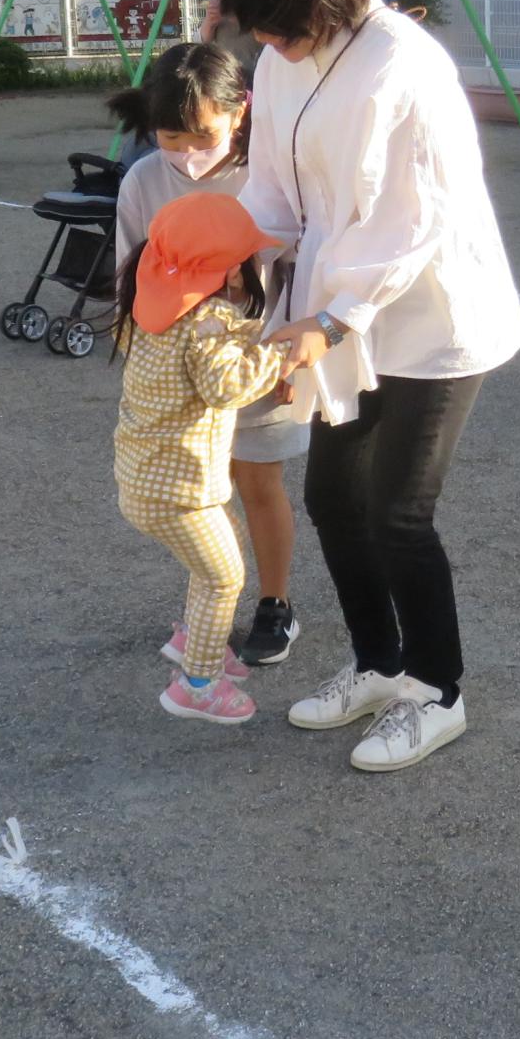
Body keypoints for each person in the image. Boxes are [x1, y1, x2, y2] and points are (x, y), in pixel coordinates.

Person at [214, 0, 520, 775]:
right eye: (258, 28)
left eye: (277, 24)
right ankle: (380, 664)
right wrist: (234, 259)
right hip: (334, 309)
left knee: (398, 511)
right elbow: (272, 184)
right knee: (330, 499)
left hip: (430, 316)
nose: (267, 44)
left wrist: (330, 317)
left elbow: (411, 218)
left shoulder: (402, 61)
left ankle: (437, 691)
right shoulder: (281, 59)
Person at [112, 43, 308, 668]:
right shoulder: (144, 179)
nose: (189, 153)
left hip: (257, 357)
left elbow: (296, 266)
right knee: (196, 492)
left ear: (240, 113)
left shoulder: (268, 174)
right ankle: (210, 609)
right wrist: (139, 360)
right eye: (172, 138)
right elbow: (129, 271)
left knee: (258, 479)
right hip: (180, 378)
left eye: (205, 136)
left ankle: (274, 604)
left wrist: (288, 355)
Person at [114, 193, 295, 724]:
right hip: (181, 490)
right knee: (223, 576)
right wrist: (282, 354)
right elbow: (226, 385)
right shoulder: (209, 317)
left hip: (145, 476)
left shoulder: (154, 304)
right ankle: (196, 685)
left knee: (215, 557)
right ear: (231, 269)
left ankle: (197, 644)